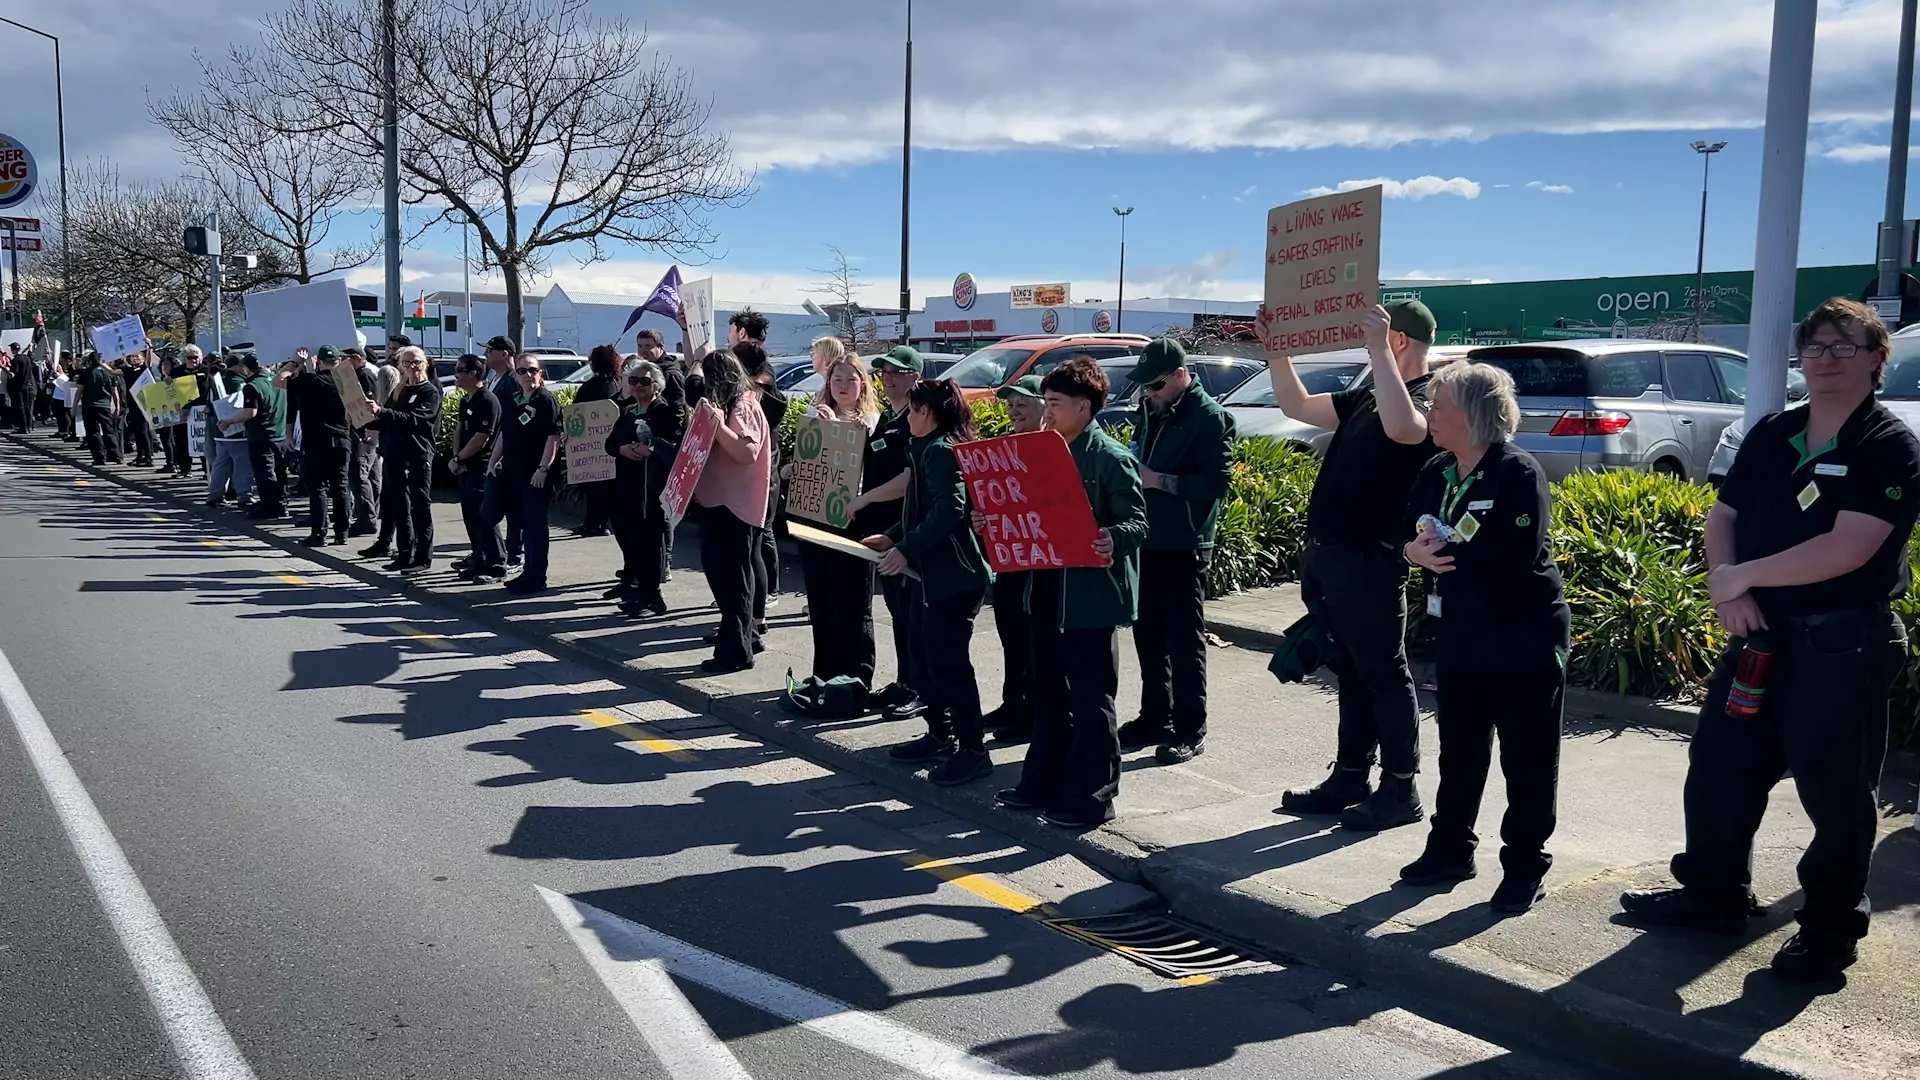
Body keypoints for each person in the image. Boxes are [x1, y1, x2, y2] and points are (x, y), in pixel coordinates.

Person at [1622, 298, 1920, 982]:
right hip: (1758, 637)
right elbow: (1723, 512)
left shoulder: (1886, 445)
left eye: (1844, 347)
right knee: (1721, 768)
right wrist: (1732, 587)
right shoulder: (1775, 433)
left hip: (1841, 648)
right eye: (1815, 347)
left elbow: (1849, 548)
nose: (1826, 359)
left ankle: (1828, 932)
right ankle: (1713, 894)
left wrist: (1740, 578)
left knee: (1836, 796)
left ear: (1877, 359)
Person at [1398, 362, 1569, 915]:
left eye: (1438, 405)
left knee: (1527, 757)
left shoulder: (1516, 472)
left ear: (1471, 414)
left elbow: (1511, 557)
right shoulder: (1437, 470)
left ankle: (1524, 866)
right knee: (1461, 750)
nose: (1430, 415)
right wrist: (1411, 552)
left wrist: (1442, 558)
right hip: (1462, 633)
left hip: (1522, 636)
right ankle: (1450, 849)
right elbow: (1409, 529)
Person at [1266, 299, 1441, 832]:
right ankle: (1350, 776)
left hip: (1373, 560)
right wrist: (1278, 350)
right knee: (1353, 674)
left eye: (1377, 333)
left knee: (1384, 675)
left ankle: (1400, 788)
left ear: (1399, 340)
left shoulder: (1425, 396)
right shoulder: (1368, 394)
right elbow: (1297, 405)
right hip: (1333, 556)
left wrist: (1378, 351)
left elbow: (1405, 430)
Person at [996, 358, 1147, 829]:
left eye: (1055, 404)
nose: (1047, 412)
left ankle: (1093, 797)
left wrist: (1112, 537)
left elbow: (1139, 522)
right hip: (1044, 594)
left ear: (1084, 408)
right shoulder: (1041, 451)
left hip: (1090, 600)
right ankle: (1041, 783)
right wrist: (993, 520)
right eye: (1045, 403)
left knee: (1091, 700)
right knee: (1046, 694)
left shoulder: (1110, 458)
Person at [863, 379, 995, 784]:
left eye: (913, 411)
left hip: (956, 576)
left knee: (949, 663)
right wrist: (894, 536)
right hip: (932, 575)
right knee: (926, 655)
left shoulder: (940, 451)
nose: (907, 418)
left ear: (927, 414)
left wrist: (906, 549)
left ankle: (973, 748)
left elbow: (949, 510)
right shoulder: (924, 448)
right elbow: (920, 512)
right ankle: (940, 733)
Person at [1117, 338, 1237, 765]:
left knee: (1184, 640)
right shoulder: (1151, 410)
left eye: (1154, 385)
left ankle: (1190, 727)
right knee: (1147, 634)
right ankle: (1155, 716)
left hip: (1184, 543)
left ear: (1180, 376)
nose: (1147, 392)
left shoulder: (1209, 418)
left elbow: (1217, 484)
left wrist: (1157, 480)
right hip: (1147, 539)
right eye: (1144, 386)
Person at [846, 346, 928, 722]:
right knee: (896, 609)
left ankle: (919, 688)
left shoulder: (919, 419)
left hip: (906, 529)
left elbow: (910, 478)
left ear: (915, 376)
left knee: (913, 613)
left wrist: (866, 499)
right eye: (883, 371)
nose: (888, 377)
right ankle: (904, 678)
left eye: (897, 371)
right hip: (884, 530)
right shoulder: (888, 418)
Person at [793, 352, 882, 689]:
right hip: (816, 519)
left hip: (854, 520)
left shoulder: (871, 421)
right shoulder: (814, 414)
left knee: (854, 600)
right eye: (837, 380)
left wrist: (839, 429)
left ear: (862, 384)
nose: (843, 386)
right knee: (821, 597)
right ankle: (824, 672)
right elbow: (802, 465)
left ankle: (856, 675)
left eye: (850, 380)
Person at [691, 348, 771, 672]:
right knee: (724, 577)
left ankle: (735, 652)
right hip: (719, 502)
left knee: (734, 582)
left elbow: (746, 451)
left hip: (735, 506)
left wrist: (715, 425)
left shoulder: (744, 404)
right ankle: (743, 637)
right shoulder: (729, 405)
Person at [983, 375, 1045, 742]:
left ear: (1043, 406)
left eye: (1023, 402)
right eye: (1010, 404)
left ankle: (1030, 712)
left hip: (1036, 560)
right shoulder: (1004, 447)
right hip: (1008, 557)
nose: (1014, 409)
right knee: (1009, 632)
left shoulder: (1049, 448)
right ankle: (1012, 702)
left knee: (1031, 638)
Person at [606, 357, 682, 617]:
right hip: (627, 488)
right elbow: (610, 443)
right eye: (633, 381)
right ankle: (639, 593)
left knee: (651, 544)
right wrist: (622, 449)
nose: (638, 386)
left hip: (651, 490)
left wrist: (652, 449)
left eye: (644, 381)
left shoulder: (664, 412)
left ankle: (654, 598)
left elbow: (676, 445)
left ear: (657, 386)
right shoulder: (628, 412)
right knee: (632, 542)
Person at [361, 345, 442, 572]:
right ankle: (404, 553)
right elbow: (389, 419)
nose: (412, 367)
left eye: (416, 362)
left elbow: (416, 419)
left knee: (420, 506)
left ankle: (423, 557)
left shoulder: (429, 391)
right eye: (407, 363)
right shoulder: (401, 390)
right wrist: (364, 419)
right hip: (395, 455)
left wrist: (381, 412)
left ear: (424, 363)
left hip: (417, 455)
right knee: (399, 506)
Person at [487, 353, 564, 593]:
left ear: (541, 373)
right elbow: (504, 432)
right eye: (522, 371)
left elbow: (554, 436)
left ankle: (536, 576)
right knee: (521, 524)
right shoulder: (513, 399)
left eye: (533, 370)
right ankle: (526, 572)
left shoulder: (545, 400)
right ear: (515, 374)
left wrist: (543, 468)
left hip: (536, 474)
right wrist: (493, 459)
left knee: (535, 527)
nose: (528, 375)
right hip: (514, 472)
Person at [286, 346, 355, 547]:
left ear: (319, 362)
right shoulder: (346, 383)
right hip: (342, 440)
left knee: (318, 488)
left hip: (317, 442)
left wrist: (295, 362)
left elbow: (280, 378)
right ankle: (342, 532)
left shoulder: (309, 382)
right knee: (340, 486)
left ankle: (319, 533)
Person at [447, 355, 506, 582]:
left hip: (481, 467)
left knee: (485, 516)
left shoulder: (487, 400)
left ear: (474, 373)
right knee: (470, 517)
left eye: (460, 370)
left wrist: (461, 457)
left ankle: (496, 563)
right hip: (464, 466)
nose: (456, 374)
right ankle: (479, 558)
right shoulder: (466, 400)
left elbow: (482, 437)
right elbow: (460, 430)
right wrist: (456, 458)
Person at [218, 353, 287, 519]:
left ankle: (269, 506)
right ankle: (281, 503)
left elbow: (251, 412)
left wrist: (228, 421)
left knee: (265, 473)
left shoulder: (252, 386)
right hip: (280, 433)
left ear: (247, 369)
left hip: (261, 435)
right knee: (280, 472)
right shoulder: (279, 380)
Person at [482, 335, 525, 569]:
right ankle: (489, 552)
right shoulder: (494, 378)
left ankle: (515, 553)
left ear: (505, 354)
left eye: (490, 350)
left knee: (513, 506)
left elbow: (510, 421)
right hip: (493, 450)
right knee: (493, 505)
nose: (487, 354)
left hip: (507, 451)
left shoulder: (512, 381)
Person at [570, 344, 621, 538]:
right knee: (610, 486)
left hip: (590, 447)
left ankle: (593, 523)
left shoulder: (589, 387)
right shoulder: (619, 384)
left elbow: (576, 412)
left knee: (593, 487)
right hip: (613, 444)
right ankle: (607, 523)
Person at [204, 359, 254, 508]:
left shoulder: (217, 380)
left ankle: (215, 494)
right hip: (235, 429)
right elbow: (241, 406)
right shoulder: (240, 383)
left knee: (221, 463)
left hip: (218, 429)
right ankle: (244, 495)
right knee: (242, 463)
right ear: (239, 367)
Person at [343, 348, 382, 536]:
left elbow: (370, 402)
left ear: (357, 358)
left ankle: (366, 518)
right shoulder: (361, 373)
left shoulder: (364, 375)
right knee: (372, 475)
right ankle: (370, 514)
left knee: (359, 474)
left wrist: (369, 426)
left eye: (345, 358)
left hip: (364, 432)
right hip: (367, 430)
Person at [80, 351, 123, 466]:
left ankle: (99, 458)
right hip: (104, 405)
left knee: (93, 432)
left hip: (89, 405)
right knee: (109, 431)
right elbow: (115, 392)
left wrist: (74, 406)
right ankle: (116, 455)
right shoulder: (109, 373)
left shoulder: (85, 373)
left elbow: (80, 390)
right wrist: (117, 406)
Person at [119, 350, 158, 467]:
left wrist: (149, 347)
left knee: (143, 431)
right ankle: (140, 456)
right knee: (136, 431)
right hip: (132, 404)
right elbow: (112, 371)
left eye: (137, 356)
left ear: (143, 358)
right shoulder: (128, 370)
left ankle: (148, 457)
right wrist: (102, 362)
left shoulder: (144, 369)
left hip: (143, 404)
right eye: (132, 356)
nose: (134, 358)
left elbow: (149, 362)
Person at [9, 341, 38, 435]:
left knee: (20, 407)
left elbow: (13, 374)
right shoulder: (26, 359)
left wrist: (5, 368)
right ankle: (29, 426)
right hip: (28, 385)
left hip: (19, 386)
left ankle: (23, 426)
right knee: (28, 407)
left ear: (13, 350)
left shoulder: (15, 360)